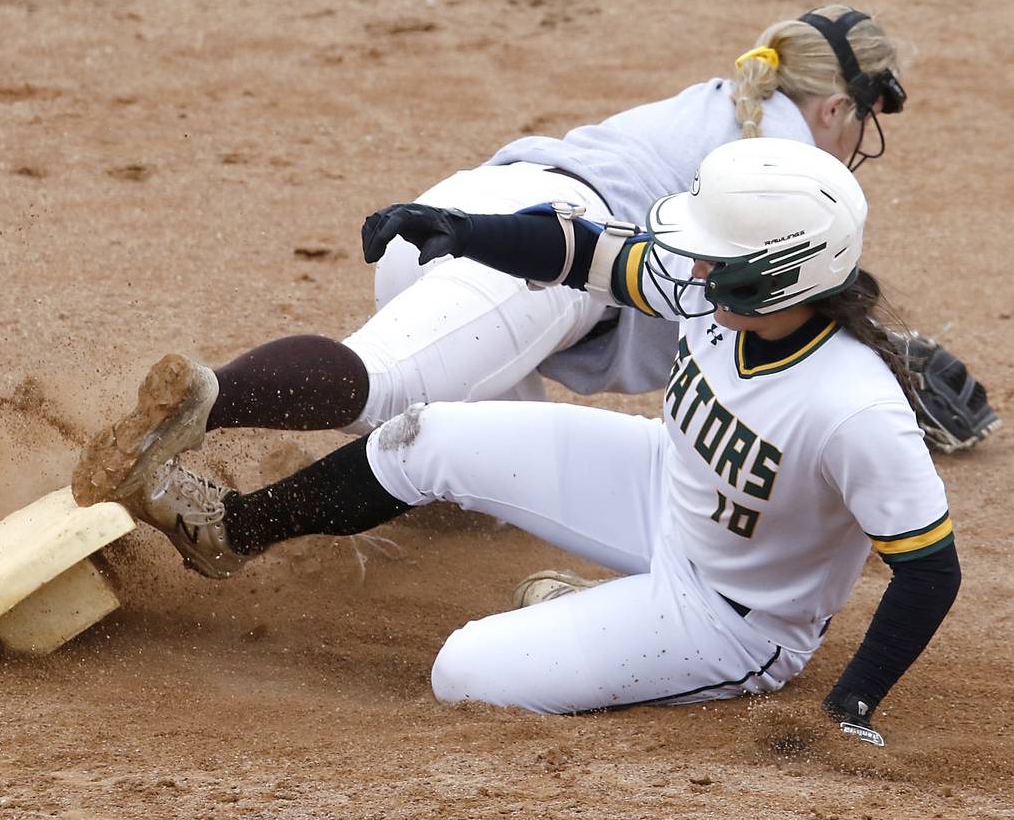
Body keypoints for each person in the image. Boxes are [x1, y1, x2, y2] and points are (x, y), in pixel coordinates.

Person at [77, 138, 962, 745]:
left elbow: (930, 568)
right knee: (424, 439)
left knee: (466, 671)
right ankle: (234, 529)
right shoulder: (712, 293)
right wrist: (462, 234)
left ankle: (609, 621)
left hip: (733, 620)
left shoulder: (853, 407)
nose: (690, 268)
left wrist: (853, 698)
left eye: (714, 258)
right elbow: (584, 253)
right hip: (662, 483)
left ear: (780, 277)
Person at [71, 4, 922, 509]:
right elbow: (765, 334)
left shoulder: (727, 106)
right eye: (869, 118)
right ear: (841, 106)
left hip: (465, 214)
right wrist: (881, 370)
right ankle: (203, 405)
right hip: (536, 268)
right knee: (386, 384)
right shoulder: (789, 174)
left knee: (466, 472)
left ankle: (220, 480)